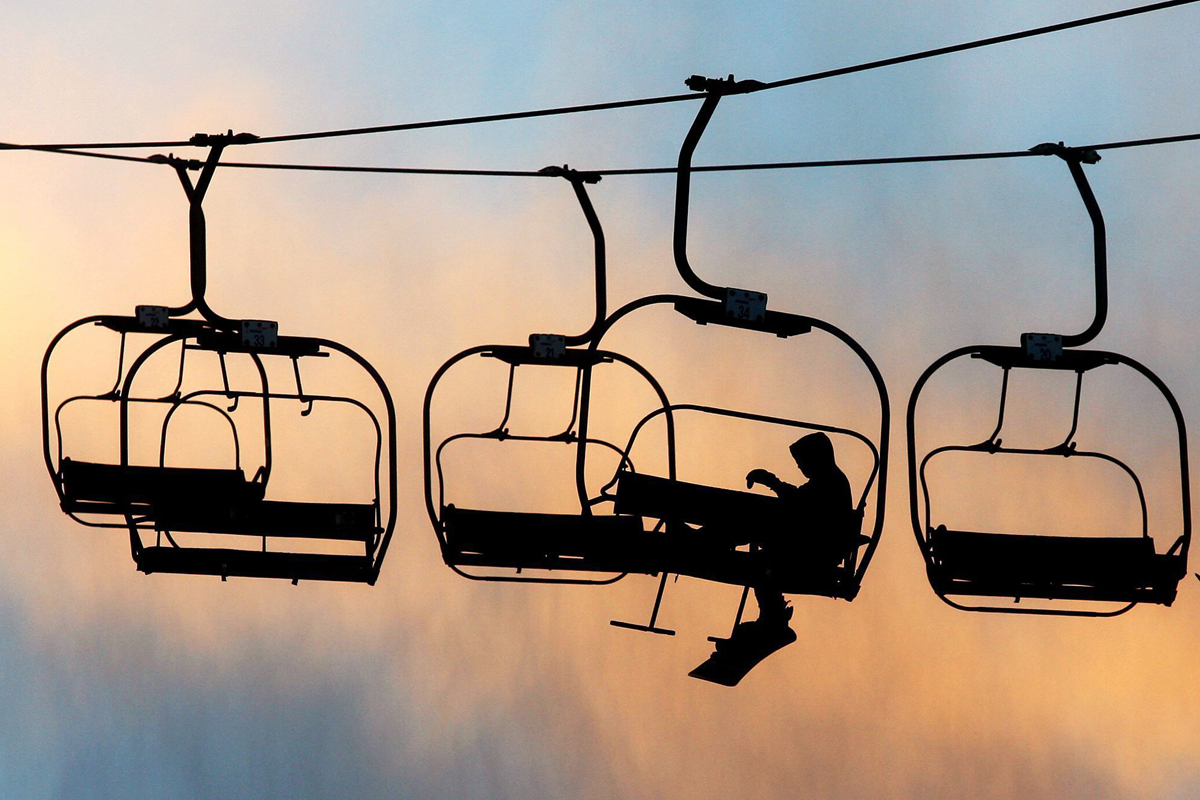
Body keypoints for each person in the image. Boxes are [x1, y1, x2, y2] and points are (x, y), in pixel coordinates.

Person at [740, 431, 853, 626]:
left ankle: (773, 618)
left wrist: (772, 482)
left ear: (816, 458)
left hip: (811, 554)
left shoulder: (829, 483)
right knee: (753, 532)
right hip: (810, 550)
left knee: (758, 555)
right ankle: (772, 616)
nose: (800, 466)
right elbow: (800, 500)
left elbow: (798, 501)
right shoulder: (830, 481)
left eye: (802, 461)